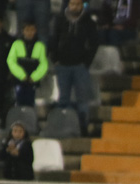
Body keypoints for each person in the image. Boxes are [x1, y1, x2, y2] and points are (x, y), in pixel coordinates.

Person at [51, 0, 99, 135]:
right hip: (63, 66)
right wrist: (55, 59)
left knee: (82, 100)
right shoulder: (60, 19)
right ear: (68, 4)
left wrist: (86, 62)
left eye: (78, 4)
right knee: (63, 99)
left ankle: (82, 128)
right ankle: (62, 127)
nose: (75, 7)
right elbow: (53, 39)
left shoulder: (88, 22)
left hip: (80, 67)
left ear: (82, 5)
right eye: (72, 4)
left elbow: (94, 43)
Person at [7, 20, 48, 107]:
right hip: (18, 80)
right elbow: (10, 61)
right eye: (27, 30)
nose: (29, 33)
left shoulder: (40, 45)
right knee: (18, 102)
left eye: (32, 30)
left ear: (35, 31)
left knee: (30, 103)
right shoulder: (16, 44)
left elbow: (44, 64)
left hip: (32, 81)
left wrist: (34, 77)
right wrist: (22, 75)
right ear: (23, 31)